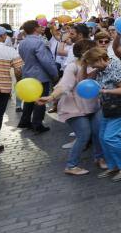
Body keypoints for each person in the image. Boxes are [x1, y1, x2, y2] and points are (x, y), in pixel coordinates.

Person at [37, 39, 103, 175]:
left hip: (93, 105)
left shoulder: (97, 65)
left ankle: (100, 158)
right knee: (84, 134)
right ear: (85, 53)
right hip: (74, 107)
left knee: (98, 132)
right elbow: (64, 85)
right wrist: (51, 97)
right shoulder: (72, 67)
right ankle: (71, 165)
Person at [82, 47, 121, 182]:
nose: (91, 66)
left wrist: (105, 91)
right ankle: (114, 165)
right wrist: (84, 65)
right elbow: (85, 80)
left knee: (111, 137)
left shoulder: (117, 67)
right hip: (110, 106)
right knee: (103, 136)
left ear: (100, 59)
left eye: (92, 63)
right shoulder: (101, 69)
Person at [17, 20, 58, 133]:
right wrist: (54, 74)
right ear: (35, 29)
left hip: (28, 73)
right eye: (39, 26)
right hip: (40, 75)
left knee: (29, 99)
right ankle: (37, 124)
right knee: (40, 100)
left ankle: (25, 121)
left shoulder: (23, 42)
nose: (42, 28)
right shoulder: (39, 42)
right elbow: (46, 61)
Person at [0, 25, 23, 153]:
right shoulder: (10, 51)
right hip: (2, 88)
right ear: (3, 36)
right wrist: (19, 81)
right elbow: (18, 69)